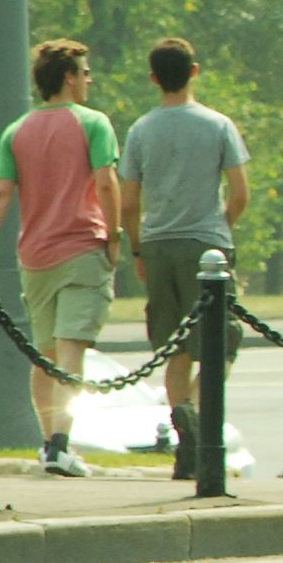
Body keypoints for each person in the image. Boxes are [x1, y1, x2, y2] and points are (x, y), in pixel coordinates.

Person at [0, 40, 122, 477]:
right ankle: (62, 443)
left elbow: (2, 192)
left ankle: (48, 442)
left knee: (44, 351)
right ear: (68, 78)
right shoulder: (94, 123)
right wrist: (115, 235)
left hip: (35, 255)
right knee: (72, 345)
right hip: (82, 246)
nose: (89, 79)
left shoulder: (17, 130)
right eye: (85, 71)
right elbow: (107, 183)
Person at [118, 38, 250, 480]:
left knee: (172, 347)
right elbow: (240, 193)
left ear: (154, 78)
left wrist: (137, 248)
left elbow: (129, 201)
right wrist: (221, 231)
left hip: (157, 245)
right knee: (219, 345)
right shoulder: (218, 126)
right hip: (206, 245)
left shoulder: (139, 131)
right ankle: (195, 415)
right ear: (194, 71)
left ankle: (183, 433)